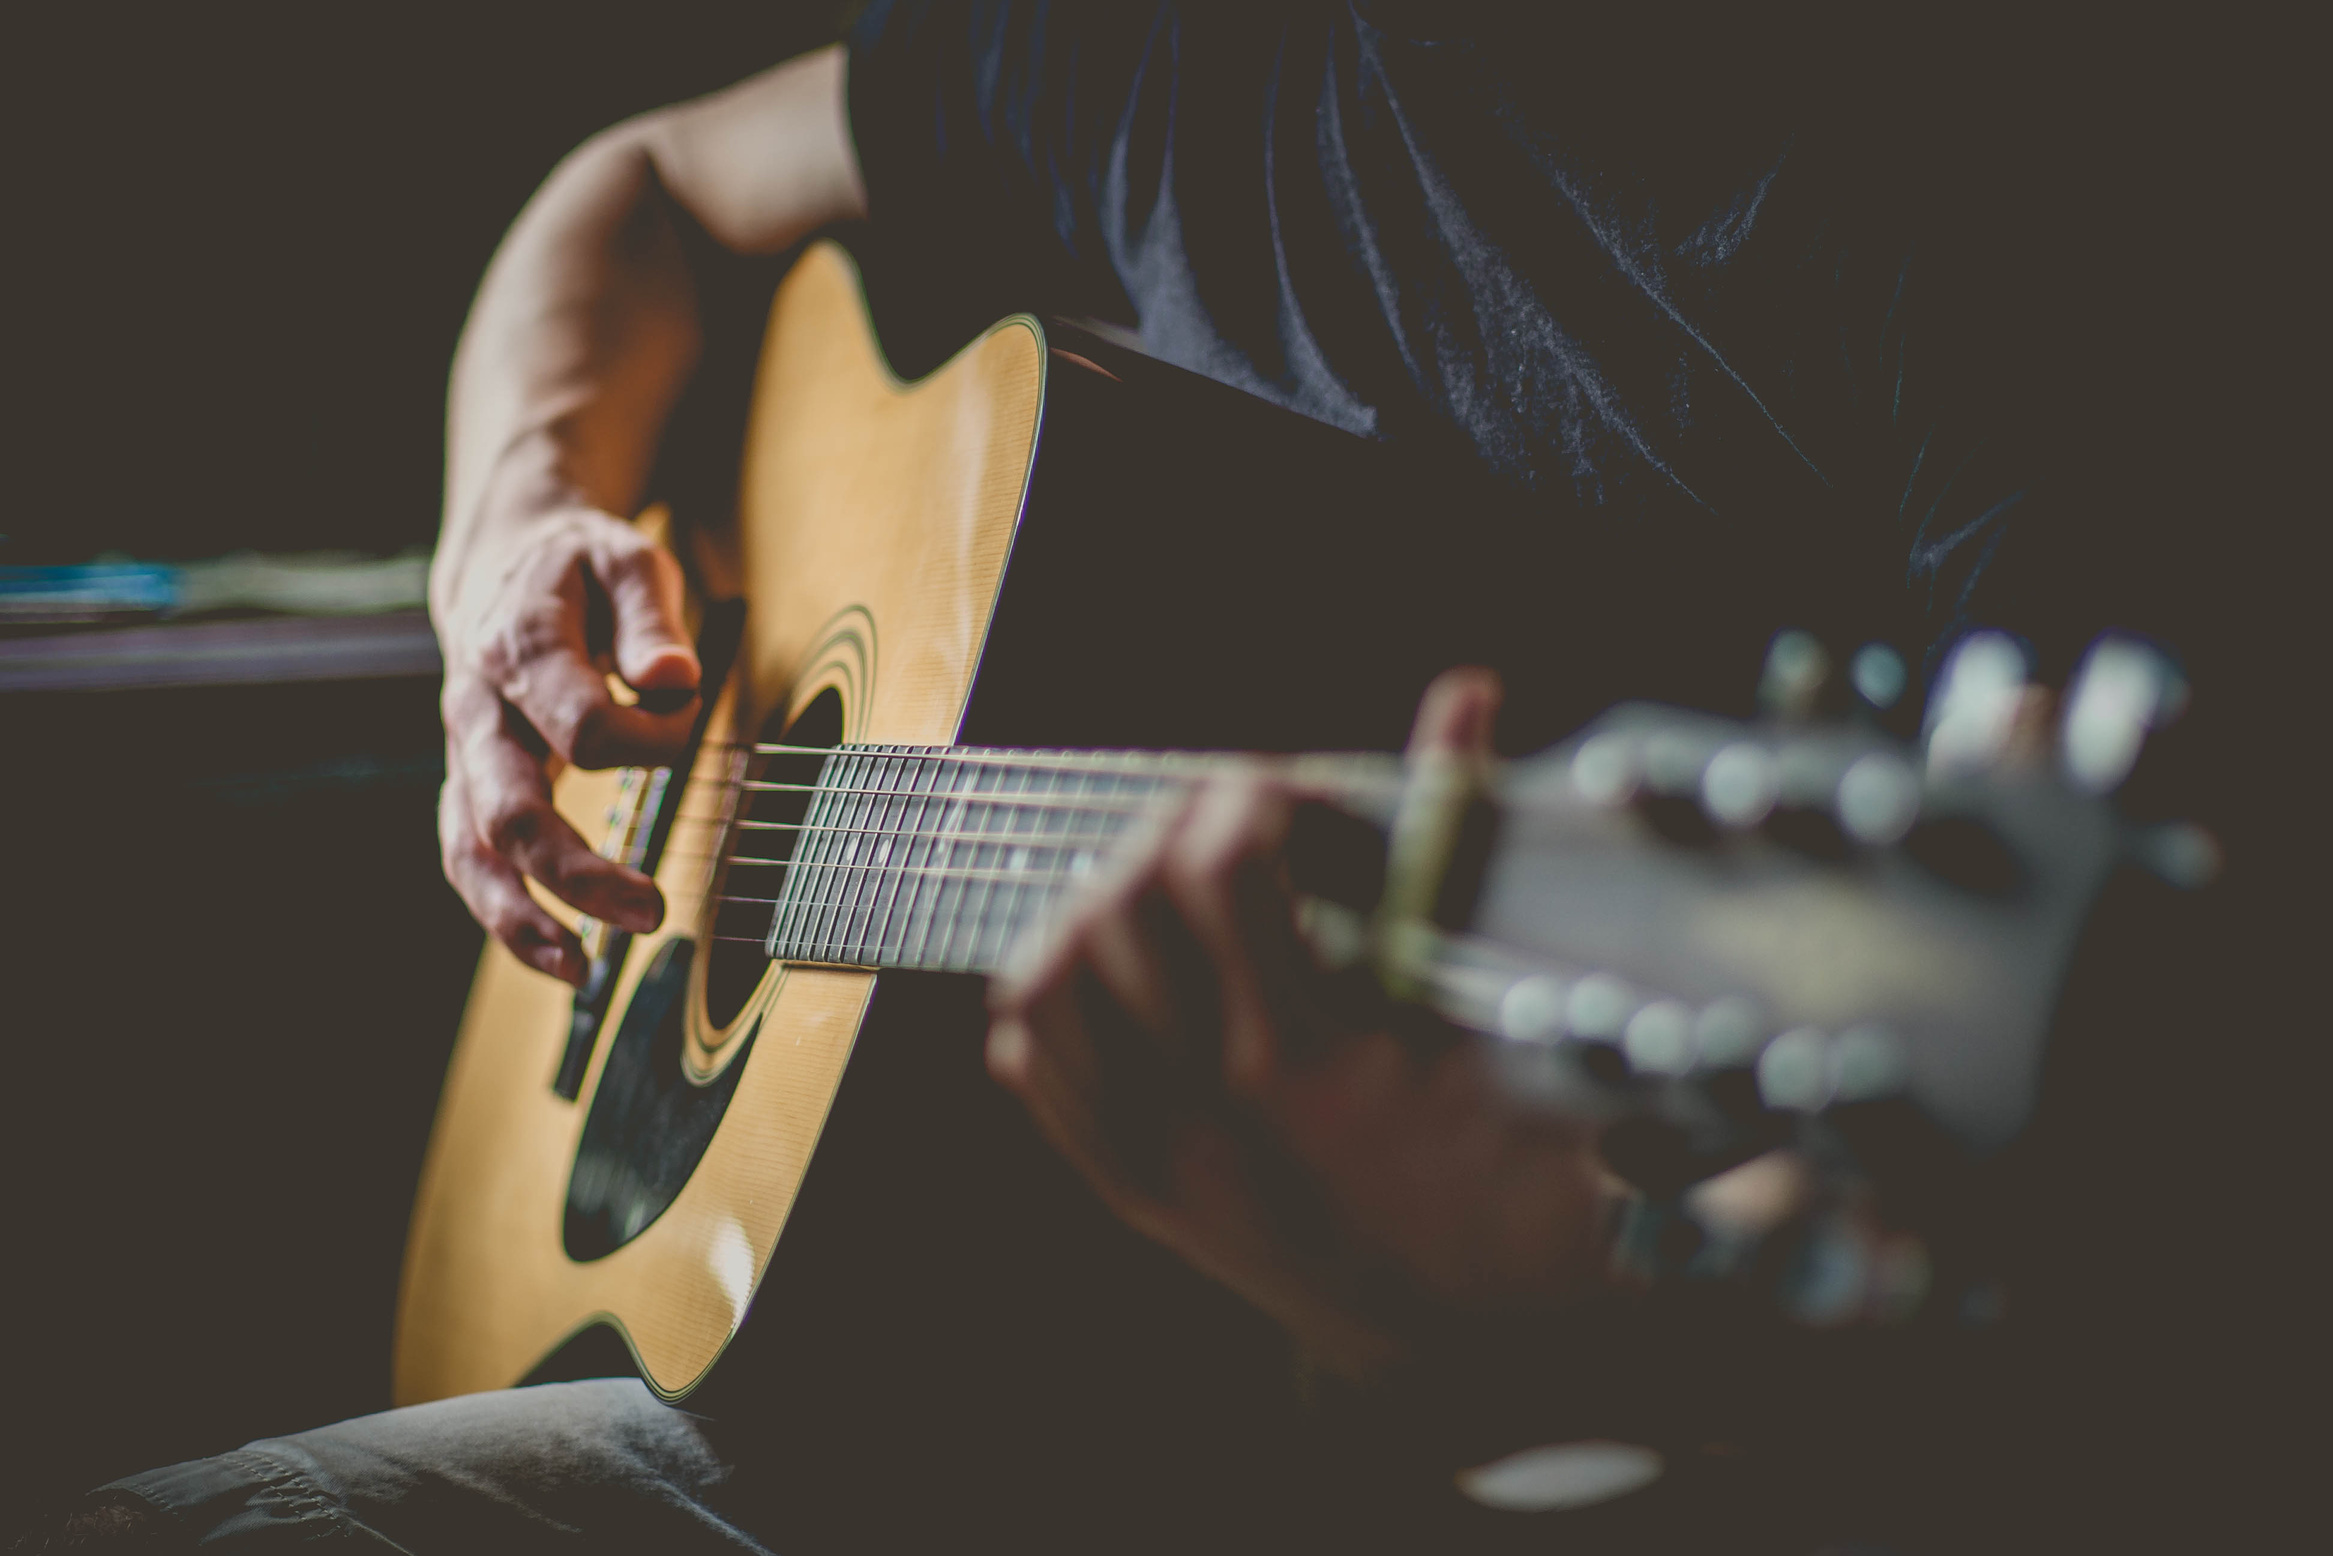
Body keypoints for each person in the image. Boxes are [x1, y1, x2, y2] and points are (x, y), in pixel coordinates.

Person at [30, 5, 2266, 1551]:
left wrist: (1514, 1325)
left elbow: (2130, 1264)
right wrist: (512, 539)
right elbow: (644, 189)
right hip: (944, 1368)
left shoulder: (1986, 213)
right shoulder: (1127, 58)